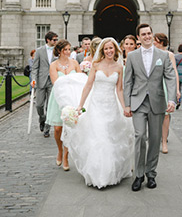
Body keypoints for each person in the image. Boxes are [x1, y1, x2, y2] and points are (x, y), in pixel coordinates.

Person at [55, 37, 134, 189]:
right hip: (96, 105)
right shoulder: (96, 65)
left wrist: (124, 107)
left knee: (111, 138)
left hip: (111, 106)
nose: (109, 51)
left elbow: (119, 89)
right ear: (102, 51)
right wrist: (80, 106)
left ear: (115, 49)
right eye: (106, 49)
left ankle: (112, 172)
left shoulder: (119, 67)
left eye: (111, 48)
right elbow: (88, 86)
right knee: (99, 137)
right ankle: (99, 175)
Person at [124, 24, 176, 191]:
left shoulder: (163, 55)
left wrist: (172, 100)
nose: (147, 36)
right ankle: (139, 175)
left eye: (149, 33)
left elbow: (170, 77)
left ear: (152, 36)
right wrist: (127, 104)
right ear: (138, 37)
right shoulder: (132, 56)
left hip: (157, 101)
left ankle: (151, 173)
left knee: (155, 139)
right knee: (139, 136)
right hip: (138, 101)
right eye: (143, 34)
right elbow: (128, 82)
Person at [46, 39, 82, 170]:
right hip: (58, 98)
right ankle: (60, 150)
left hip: (72, 97)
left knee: (69, 127)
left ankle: (66, 156)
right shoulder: (54, 65)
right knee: (57, 128)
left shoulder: (75, 63)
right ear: (59, 51)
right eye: (65, 50)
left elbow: (81, 80)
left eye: (69, 49)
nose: (68, 52)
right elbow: (56, 83)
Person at [153, 33, 180, 154]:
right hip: (154, 85)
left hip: (165, 85)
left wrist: (177, 90)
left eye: (155, 40)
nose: (153, 42)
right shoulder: (151, 53)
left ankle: (164, 141)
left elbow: (174, 73)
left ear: (161, 41)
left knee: (166, 115)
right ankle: (155, 139)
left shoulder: (169, 54)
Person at [31, 31, 58, 137]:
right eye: (54, 40)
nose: (56, 42)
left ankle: (47, 128)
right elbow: (35, 67)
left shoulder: (57, 51)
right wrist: (33, 79)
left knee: (49, 106)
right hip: (41, 80)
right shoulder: (39, 51)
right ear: (48, 40)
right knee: (39, 105)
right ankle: (42, 119)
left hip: (53, 81)